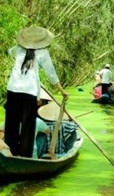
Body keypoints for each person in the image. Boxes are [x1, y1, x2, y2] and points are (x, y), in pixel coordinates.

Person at [5, 26, 68, 157]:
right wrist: (62, 91)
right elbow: (51, 73)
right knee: (28, 126)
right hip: (30, 91)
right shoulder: (43, 53)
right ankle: (24, 156)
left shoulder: (18, 49)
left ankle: (10, 153)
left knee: (11, 124)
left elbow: (9, 51)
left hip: (13, 89)